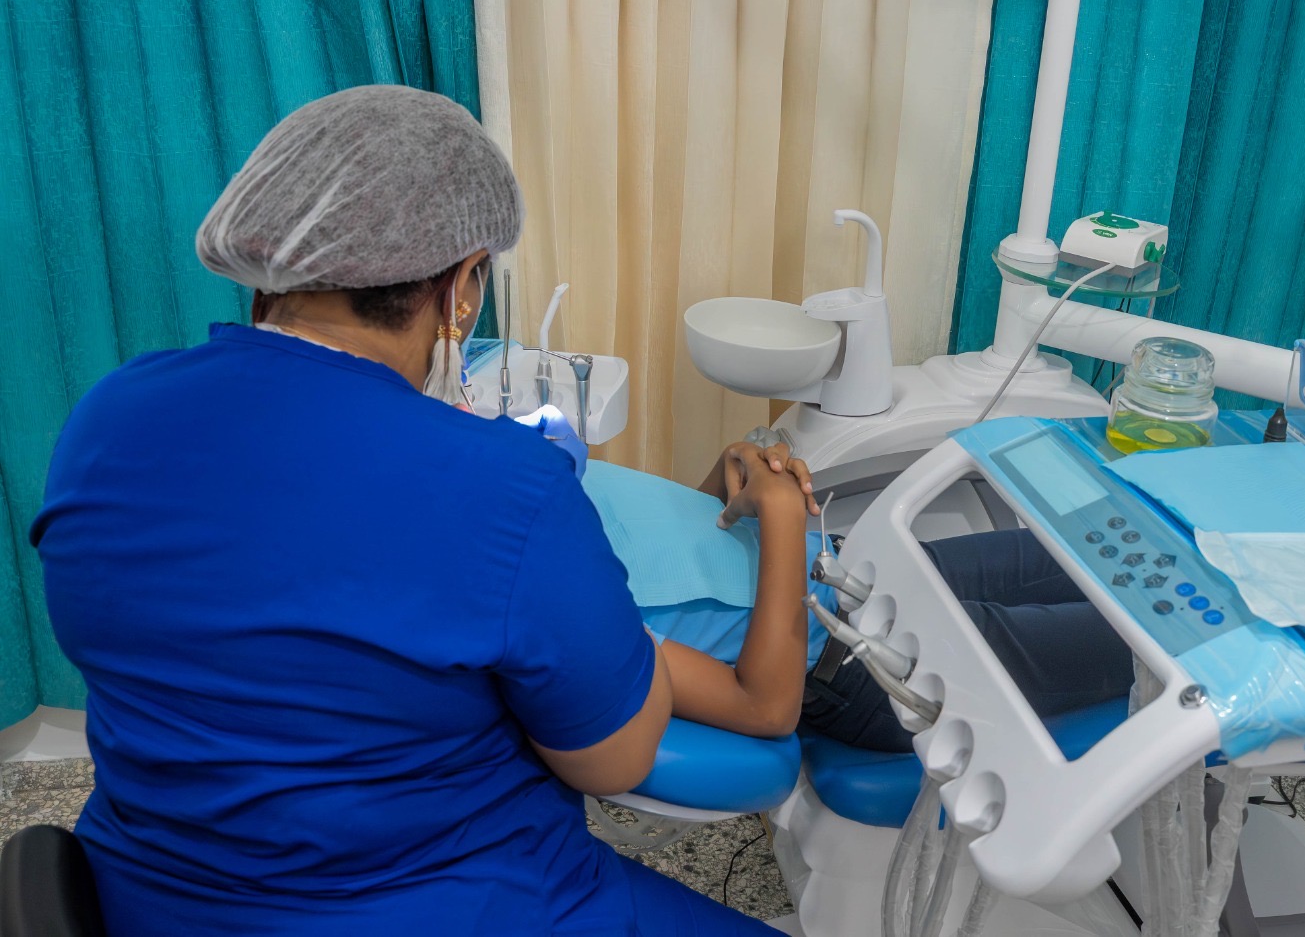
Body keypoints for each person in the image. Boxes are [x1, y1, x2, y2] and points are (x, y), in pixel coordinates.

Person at [31, 86, 773, 935]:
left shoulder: (107, 417)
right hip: (452, 904)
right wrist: (621, 643)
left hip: (148, 903)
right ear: (462, 289)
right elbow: (615, 760)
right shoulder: (510, 487)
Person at [582, 445, 1136, 756]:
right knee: (1146, 642)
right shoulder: (571, 619)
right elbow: (766, 709)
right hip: (867, 670)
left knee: (1105, 548)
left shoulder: (552, 476)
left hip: (869, 566)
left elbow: (672, 545)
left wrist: (736, 474)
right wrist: (781, 512)